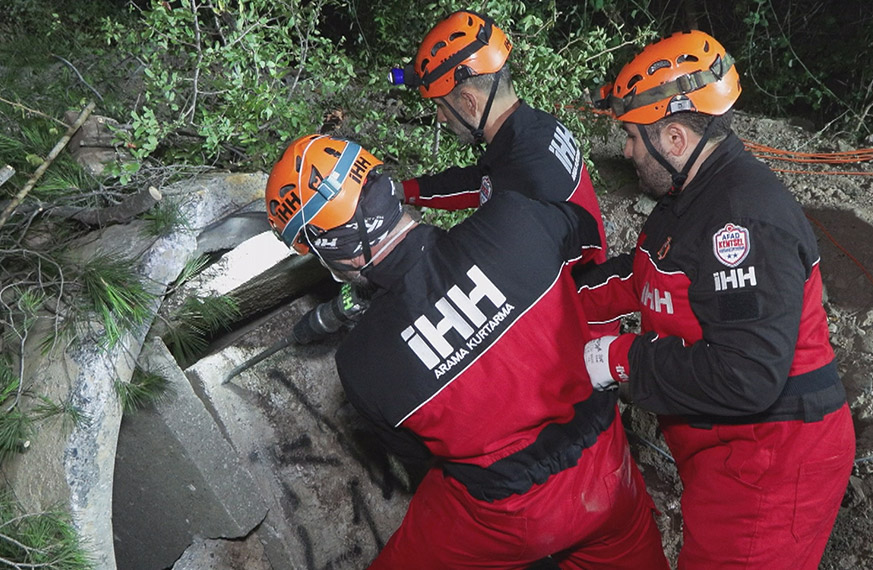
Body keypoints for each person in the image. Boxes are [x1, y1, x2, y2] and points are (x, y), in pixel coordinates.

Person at [264, 133, 669, 569]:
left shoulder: (361, 364)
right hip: (608, 467)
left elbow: (420, 459)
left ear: (333, 251)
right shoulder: (515, 219)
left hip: (508, 516)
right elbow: (585, 239)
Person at [579, 31, 855, 569]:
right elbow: (645, 276)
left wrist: (618, 358)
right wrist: (550, 298)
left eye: (634, 137)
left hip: (773, 462)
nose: (627, 150)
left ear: (676, 139)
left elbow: (747, 373)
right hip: (730, 452)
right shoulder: (688, 198)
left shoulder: (742, 219)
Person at [392, 10, 617, 335]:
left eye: (442, 106)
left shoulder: (525, 178)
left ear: (469, 102)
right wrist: (405, 191)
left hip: (574, 328)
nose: (441, 118)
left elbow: (486, 274)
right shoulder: (533, 129)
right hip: (582, 301)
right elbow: (478, 182)